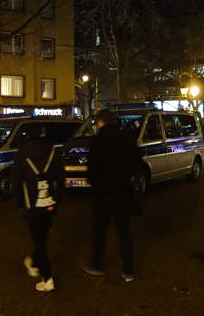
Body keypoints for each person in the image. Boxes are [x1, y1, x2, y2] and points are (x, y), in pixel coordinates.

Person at [83, 109, 142, 282]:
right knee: (124, 233)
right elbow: (137, 164)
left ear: (101, 122)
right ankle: (128, 270)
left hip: (102, 194)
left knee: (100, 232)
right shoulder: (127, 139)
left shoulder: (97, 141)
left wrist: (94, 186)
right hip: (122, 192)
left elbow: (92, 169)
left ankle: (97, 264)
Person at [11, 123, 63, 292]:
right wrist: (57, 201)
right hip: (49, 203)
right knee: (42, 239)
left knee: (39, 242)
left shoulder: (21, 154)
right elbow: (61, 178)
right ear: (43, 133)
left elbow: (17, 183)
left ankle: (47, 278)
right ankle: (33, 261)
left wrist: (20, 205)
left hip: (30, 205)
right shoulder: (53, 150)